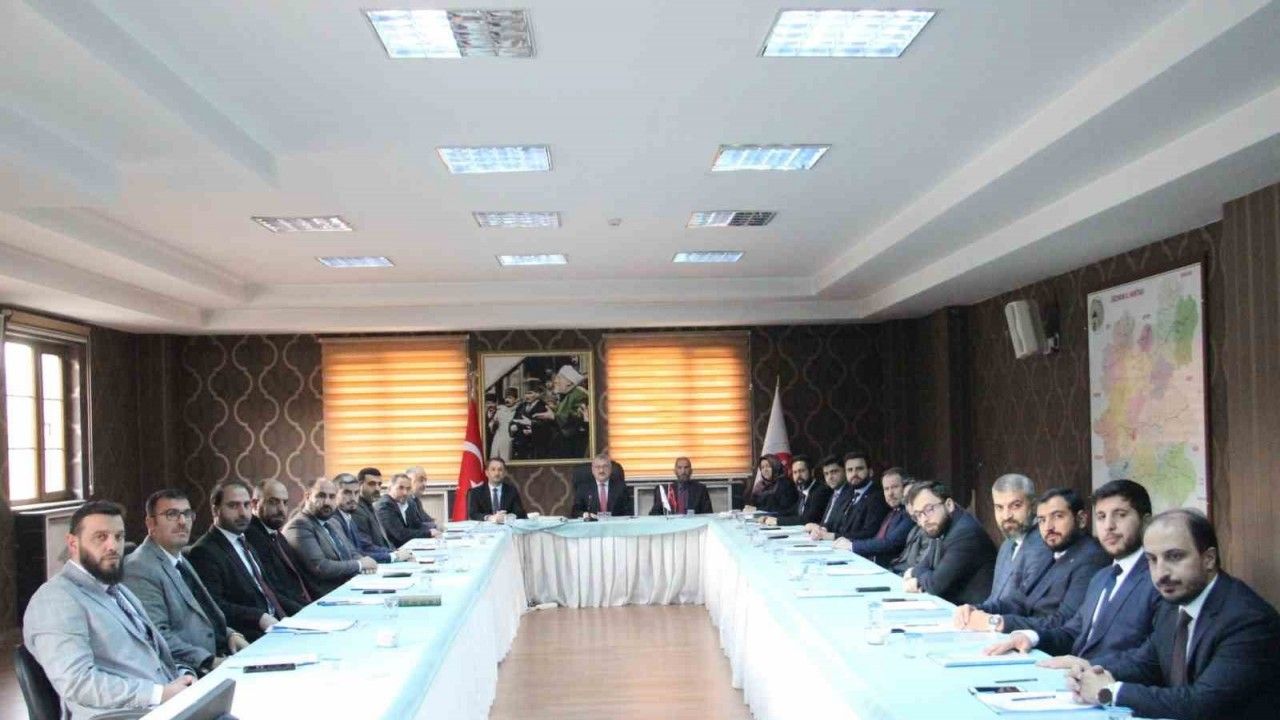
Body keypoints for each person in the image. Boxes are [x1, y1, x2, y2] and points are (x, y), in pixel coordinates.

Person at [1068, 509, 1280, 720]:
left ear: (1209, 559)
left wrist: (1110, 692)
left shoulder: (1248, 621)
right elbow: (1145, 663)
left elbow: (1201, 705)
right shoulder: (1172, 605)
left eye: (1175, 557)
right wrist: (1088, 671)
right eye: (1152, 559)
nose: (1161, 573)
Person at [23, 501, 193, 720]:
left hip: (166, 707)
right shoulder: (55, 599)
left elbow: (153, 655)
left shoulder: (118, 590)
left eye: (119, 537)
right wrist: (159, 694)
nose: (113, 546)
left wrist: (185, 678)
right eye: (101, 537)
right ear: (73, 543)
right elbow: (78, 683)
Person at [983, 480, 1160, 668]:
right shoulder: (1102, 577)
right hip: (1073, 673)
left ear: (1146, 522)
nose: (1109, 526)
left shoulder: (1157, 578)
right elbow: (1072, 632)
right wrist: (1029, 637)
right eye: (1101, 517)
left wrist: (1087, 666)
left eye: (1121, 515)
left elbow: (1152, 661)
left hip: (1108, 680)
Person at [122, 490, 248, 676]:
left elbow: (203, 613)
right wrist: (210, 661)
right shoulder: (139, 568)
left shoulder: (178, 558)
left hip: (221, 655)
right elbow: (157, 636)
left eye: (187, 514)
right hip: (190, 672)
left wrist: (230, 634)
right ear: (150, 523)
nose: (182, 521)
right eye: (171, 514)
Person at [954, 487, 1108, 633]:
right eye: (1042, 520)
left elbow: (1064, 623)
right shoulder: (1053, 552)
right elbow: (1017, 601)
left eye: (1057, 516)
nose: (1048, 527)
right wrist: (976, 609)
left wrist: (998, 622)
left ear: (1081, 519)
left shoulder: (1091, 558)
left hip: (1048, 647)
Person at [187, 479, 288, 640]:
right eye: (233, 506)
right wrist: (259, 617)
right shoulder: (204, 551)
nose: (243, 513)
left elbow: (267, 591)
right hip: (248, 635)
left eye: (246, 505)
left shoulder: (245, 542)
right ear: (215, 510)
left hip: (278, 626)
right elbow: (213, 605)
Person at [902, 481, 996, 605]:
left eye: (929, 509)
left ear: (949, 505)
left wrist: (916, 578)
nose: (924, 520)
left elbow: (935, 585)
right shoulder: (940, 527)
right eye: (918, 515)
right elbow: (925, 565)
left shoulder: (965, 534)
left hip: (975, 610)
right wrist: (919, 574)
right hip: (954, 605)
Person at [283, 476, 378, 597]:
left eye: (332, 497)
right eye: (321, 496)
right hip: (325, 596)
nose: (327, 502)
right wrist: (360, 565)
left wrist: (364, 561)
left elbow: (352, 552)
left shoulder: (333, 522)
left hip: (350, 588)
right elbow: (321, 567)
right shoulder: (299, 525)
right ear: (307, 497)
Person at [982, 473, 1051, 606]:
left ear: (1033, 506)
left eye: (1015, 506)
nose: (1006, 516)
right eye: (999, 507)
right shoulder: (1007, 545)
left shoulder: (1044, 544)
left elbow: (1023, 607)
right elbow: (994, 598)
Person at [243, 478, 312, 608]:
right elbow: (273, 591)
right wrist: (306, 610)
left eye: (285, 503)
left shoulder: (276, 535)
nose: (281, 509)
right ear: (255, 504)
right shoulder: (250, 537)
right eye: (273, 502)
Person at [836, 468, 913, 567]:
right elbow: (875, 539)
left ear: (905, 488)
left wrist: (852, 545)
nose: (890, 493)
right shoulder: (891, 512)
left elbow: (890, 544)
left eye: (895, 487)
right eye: (886, 489)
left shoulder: (909, 513)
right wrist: (849, 542)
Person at [333, 474, 412, 563]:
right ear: (334, 494)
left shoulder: (348, 516)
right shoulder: (334, 520)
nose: (353, 497)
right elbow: (354, 554)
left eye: (356, 492)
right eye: (347, 493)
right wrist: (393, 556)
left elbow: (364, 547)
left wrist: (395, 553)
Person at [830, 450, 890, 542]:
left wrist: (834, 536)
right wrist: (821, 529)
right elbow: (834, 521)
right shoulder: (847, 493)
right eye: (850, 470)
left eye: (859, 469)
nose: (854, 474)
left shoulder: (878, 496)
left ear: (870, 472)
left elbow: (869, 533)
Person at [765, 455, 832, 527]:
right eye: (795, 472)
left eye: (802, 471)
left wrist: (777, 521)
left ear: (812, 472)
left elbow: (808, 519)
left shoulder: (820, 491)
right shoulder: (803, 490)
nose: (798, 475)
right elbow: (793, 511)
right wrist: (771, 516)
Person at [379, 472, 444, 542]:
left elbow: (417, 525)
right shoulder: (384, 506)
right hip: (395, 547)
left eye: (408, 489)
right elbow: (401, 534)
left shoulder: (406, 503)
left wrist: (434, 529)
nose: (405, 492)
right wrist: (429, 533)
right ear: (389, 488)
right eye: (400, 488)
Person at [804, 455, 853, 539]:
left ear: (845, 471)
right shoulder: (834, 493)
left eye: (834, 472)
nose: (830, 477)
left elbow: (840, 527)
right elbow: (828, 523)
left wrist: (822, 529)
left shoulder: (851, 494)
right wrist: (817, 527)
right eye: (826, 474)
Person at [649, 456, 714, 515]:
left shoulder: (701, 489)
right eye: (679, 468)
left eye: (686, 467)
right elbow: (655, 514)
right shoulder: (665, 490)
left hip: (693, 523)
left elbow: (708, 514)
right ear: (675, 471)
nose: (683, 471)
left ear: (691, 471)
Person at [510, 380, 551, 460]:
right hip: (521, 447)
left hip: (536, 448)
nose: (526, 396)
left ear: (538, 394)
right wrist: (512, 427)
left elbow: (547, 427)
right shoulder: (521, 406)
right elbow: (514, 420)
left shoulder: (544, 407)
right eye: (525, 393)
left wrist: (533, 430)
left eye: (530, 393)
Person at [405, 465, 442, 532]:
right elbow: (416, 526)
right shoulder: (405, 502)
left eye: (425, 480)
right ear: (409, 482)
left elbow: (428, 520)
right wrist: (436, 526)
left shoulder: (416, 500)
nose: (425, 484)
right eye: (421, 480)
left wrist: (436, 525)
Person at [488, 387, 519, 461]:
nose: (507, 400)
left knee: (506, 458)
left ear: (515, 400)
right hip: (498, 437)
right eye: (506, 398)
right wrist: (494, 424)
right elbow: (491, 424)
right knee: (495, 457)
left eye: (510, 398)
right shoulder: (500, 410)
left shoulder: (518, 411)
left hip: (509, 439)